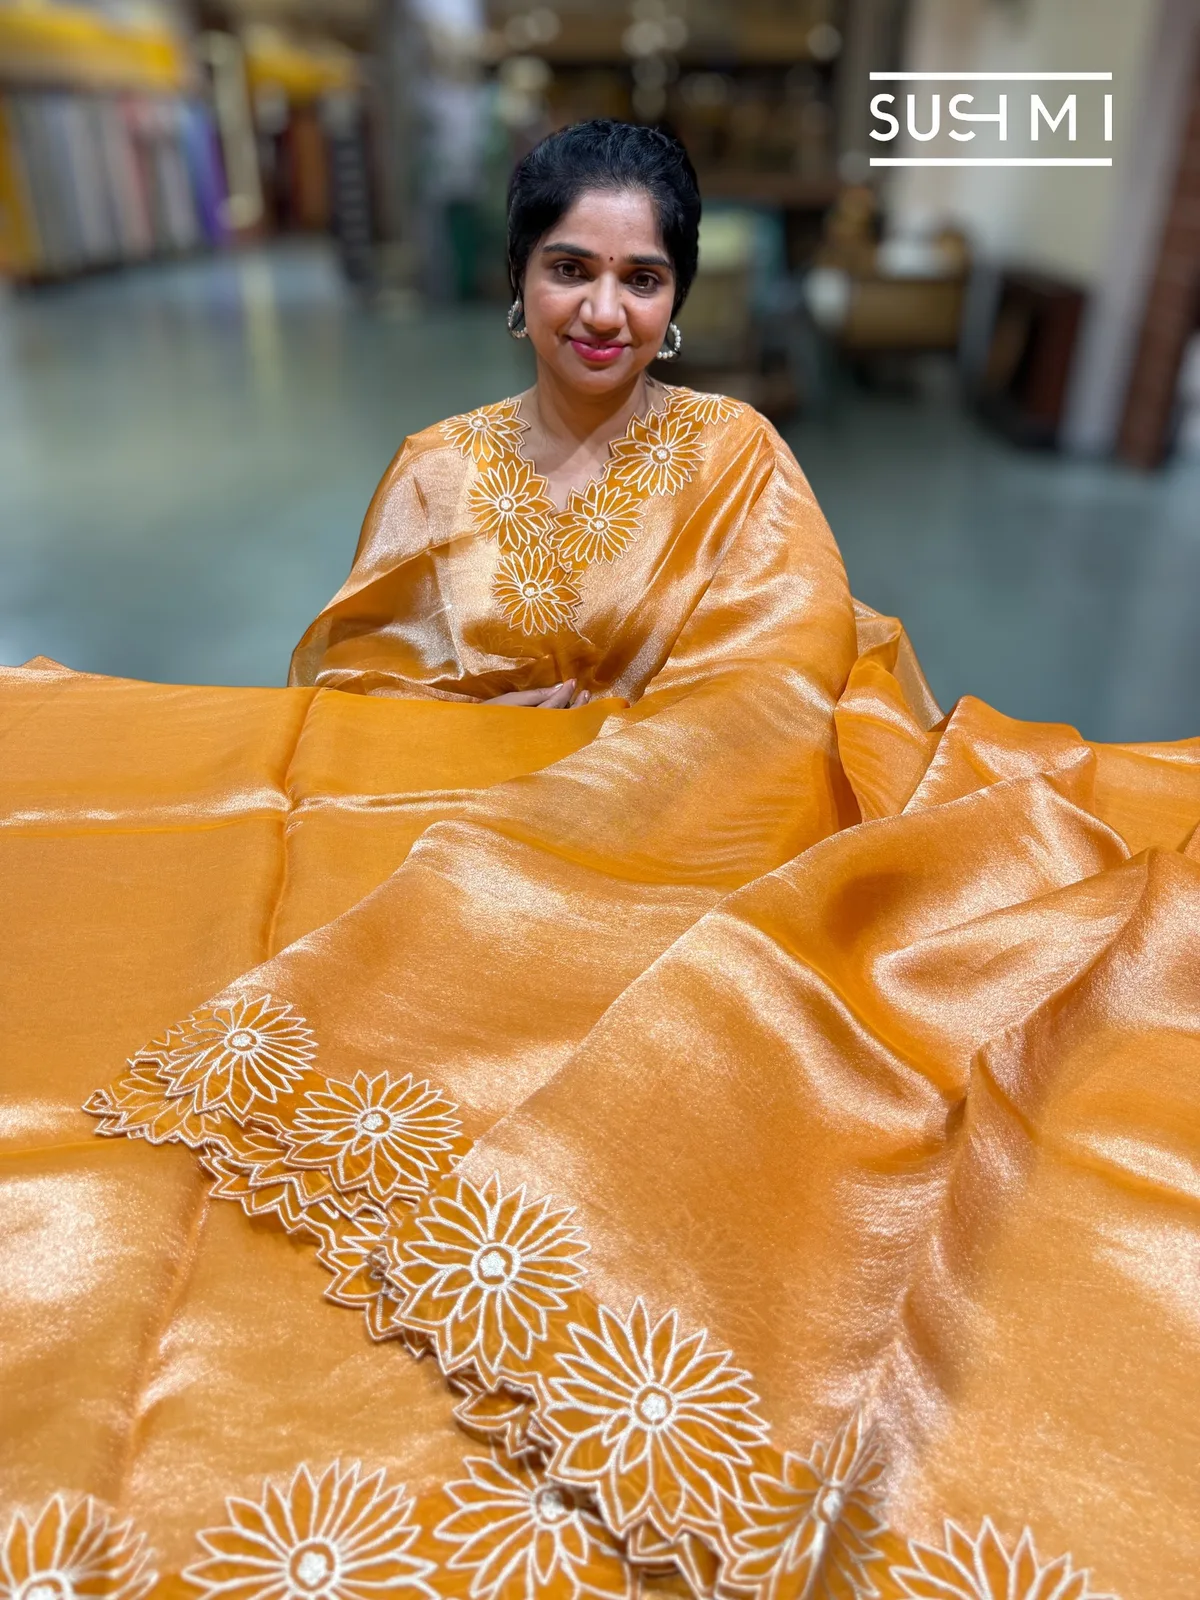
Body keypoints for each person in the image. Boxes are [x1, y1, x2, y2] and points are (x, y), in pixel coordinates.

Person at [2, 121, 1199, 1600]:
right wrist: (494, 726)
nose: (602, 310)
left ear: (677, 303)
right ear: (518, 279)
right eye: (571, 267)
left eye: (641, 278)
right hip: (467, 833)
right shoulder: (440, 470)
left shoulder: (732, 457)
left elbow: (769, 685)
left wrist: (626, 750)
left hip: (681, 840)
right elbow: (366, 698)